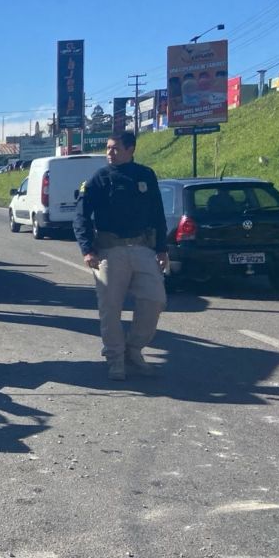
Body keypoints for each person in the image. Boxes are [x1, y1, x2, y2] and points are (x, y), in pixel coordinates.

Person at [73, 131, 168, 381]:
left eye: (115, 148)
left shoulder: (145, 175)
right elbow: (81, 216)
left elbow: (158, 212)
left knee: (155, 300)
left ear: (131, 149)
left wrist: (162, 248)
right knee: (110, 309)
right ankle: (115, 359)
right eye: (108, 148)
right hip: (110, 251)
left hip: (143, 249)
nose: (109, 153)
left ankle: (133, 350)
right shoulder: (99, 178)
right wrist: (87, 249)